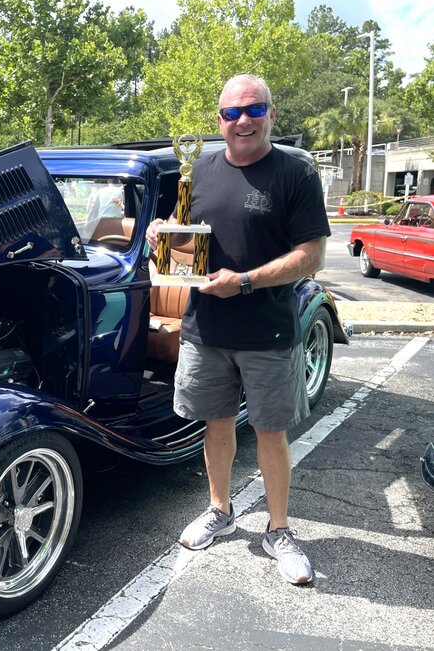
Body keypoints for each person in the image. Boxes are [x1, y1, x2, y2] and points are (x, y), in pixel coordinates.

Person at [146, 74, 330, 585]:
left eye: (254, 110)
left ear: (271, 113)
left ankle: (278, 529)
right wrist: (163, 233)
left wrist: (246, 282)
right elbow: (187, 236)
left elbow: (311, 256)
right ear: (219, 119)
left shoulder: (294, 175)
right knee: (216, 423)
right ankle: (220, 511)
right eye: (232, 113)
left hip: (267, 330)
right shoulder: (199, 170)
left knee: (271, 431)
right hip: (205, 328)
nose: (243, 120)